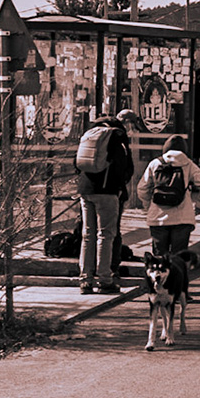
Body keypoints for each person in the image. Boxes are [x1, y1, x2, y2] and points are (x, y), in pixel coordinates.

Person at [134, 133, 200, 285]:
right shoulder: (188, 164)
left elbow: (142, 188)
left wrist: (148, 206)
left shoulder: (155, 163)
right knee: (178, 259)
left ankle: (160, 288)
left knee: (159, 258)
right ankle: (179, 288)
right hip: (182, 218)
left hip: (157, 219)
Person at [75, 111, 134, 294]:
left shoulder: (90, 133)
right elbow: (125, 167)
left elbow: (76, 163)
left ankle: (85, 280)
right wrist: (119, 187)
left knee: (88, 235)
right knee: (105, 235)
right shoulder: (116, 136)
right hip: (107, 191)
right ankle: (104, 279)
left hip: (85, 190)